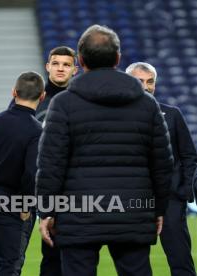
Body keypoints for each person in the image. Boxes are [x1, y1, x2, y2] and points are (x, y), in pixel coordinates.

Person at [37, 24, 173, 276]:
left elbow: (50, 162)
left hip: (78, 214)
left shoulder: (63, 103)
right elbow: (163, 162)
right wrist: (159, 209)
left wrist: (46, 210)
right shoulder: (147, 104)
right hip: (134, 210)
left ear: (80, 60)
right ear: (118, 58)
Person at [126, 62, 197, 276]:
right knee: (134, 262)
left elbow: (189, 155)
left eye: (150, 82)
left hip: (170, 201)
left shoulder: (172, 114)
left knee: (180, 259)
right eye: (140, 82)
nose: (146, 87)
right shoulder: (117, 117)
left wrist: (183, 191)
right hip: (133, 201)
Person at [12, 46, 78, 276]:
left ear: (75, 70)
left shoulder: (80, 102)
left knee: (55, 256)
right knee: (12, 256)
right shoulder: (32, 98)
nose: (60, 68)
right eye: (56, 63)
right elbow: (14, 140)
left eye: (66, 64)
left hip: (65, 190)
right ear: (47, 66)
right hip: (28, 189)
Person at [0, 71, 44, 276]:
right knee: (9, 265)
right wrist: (26, 203)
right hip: (9, 201)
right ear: (42, 96)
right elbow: (32, 173)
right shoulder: (36, 130)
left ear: (14, 92)